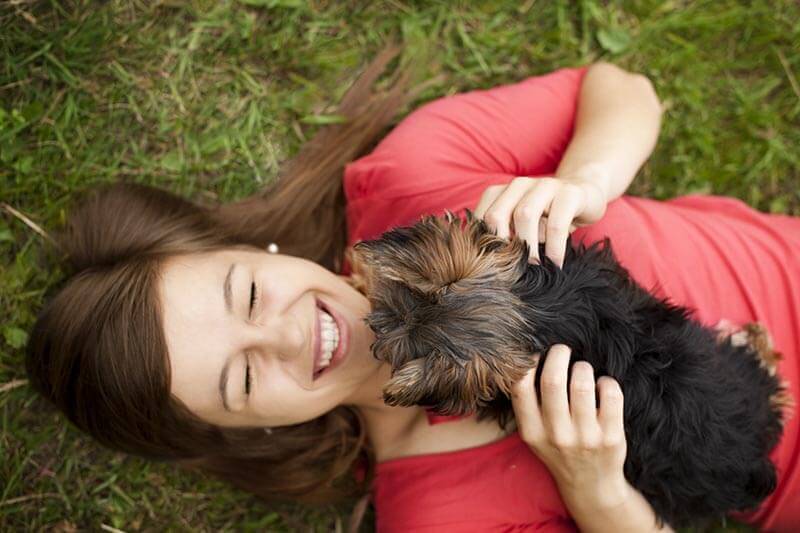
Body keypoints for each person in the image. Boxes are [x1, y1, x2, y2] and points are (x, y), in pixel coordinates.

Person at [25, 48, 800, 532]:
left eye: (249, 294)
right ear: (248, 428)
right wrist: (596, 491)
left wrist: (583, 182)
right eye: (243, 376)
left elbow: (621, 87)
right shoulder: (439, 515)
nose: (288, 334)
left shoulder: (412, 179)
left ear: (254, 250)